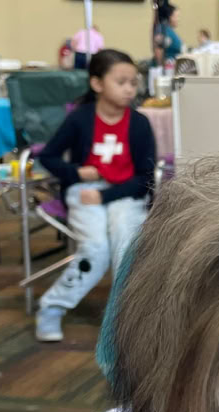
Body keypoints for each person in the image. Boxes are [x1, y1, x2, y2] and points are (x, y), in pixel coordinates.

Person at [35, 49, 156, 342]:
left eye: (133, 82)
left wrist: (106, 197)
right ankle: (52, 307)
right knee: (96, 250)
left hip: (125, 195)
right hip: (85, 192)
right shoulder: (80, 119)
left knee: (124, 247)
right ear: (97, 84)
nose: (130, 89)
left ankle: (125, 318)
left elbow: (145, 179)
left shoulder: (139, 124)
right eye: (121, 81)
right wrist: (76, 173)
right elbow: (48, 157)